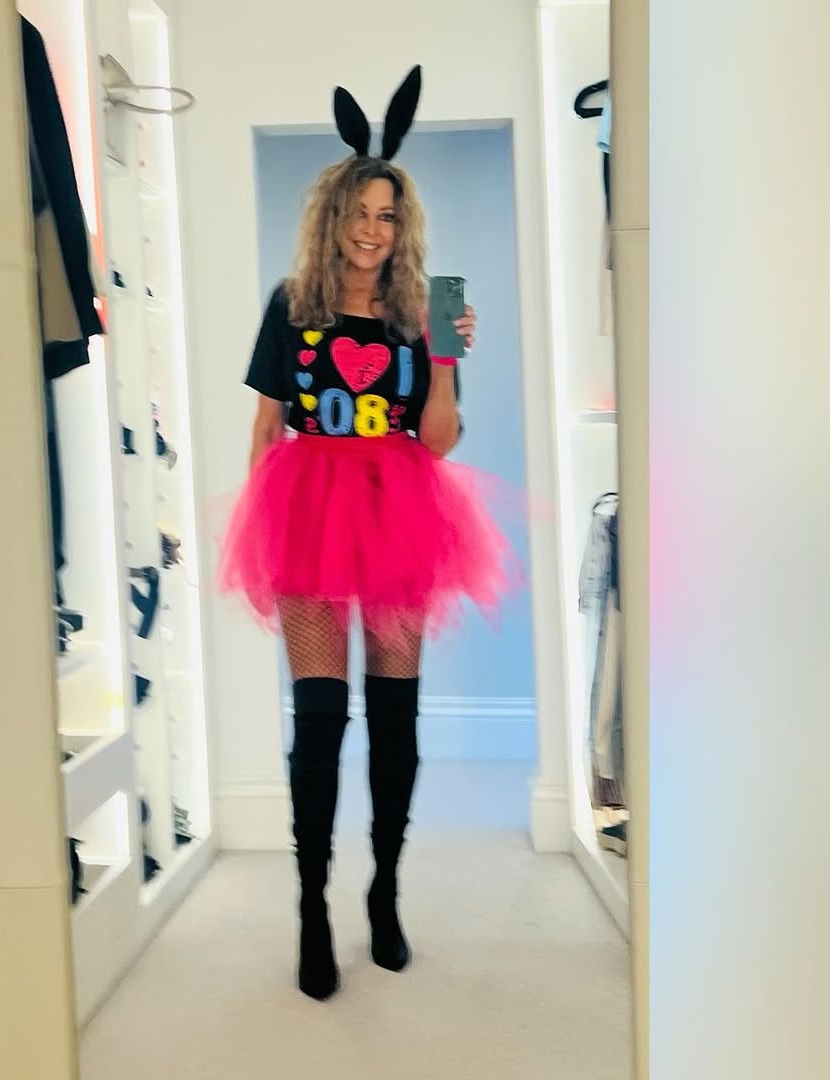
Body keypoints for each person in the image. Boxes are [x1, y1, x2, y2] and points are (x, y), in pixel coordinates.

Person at [219, 65, 521, 1000]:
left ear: (403, 225)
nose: (372, 228)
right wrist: (263, 530)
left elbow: (440, 440)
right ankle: (311, 906)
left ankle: (384, 891)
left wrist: (444, 357)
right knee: (319, 720)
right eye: (359, 210)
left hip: (400, 512)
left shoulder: (426, 307)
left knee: (395, 718)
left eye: (388, 215)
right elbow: (267, 428)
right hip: (308, 509)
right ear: (333, 215)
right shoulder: (292, 305)